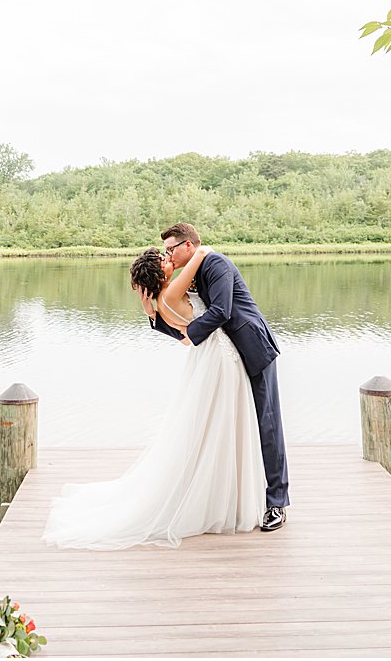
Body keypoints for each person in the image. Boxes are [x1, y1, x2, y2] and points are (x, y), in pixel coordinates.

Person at [40, 243, 266, 549]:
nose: (168, 258)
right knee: (221, 426)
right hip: (219, 360)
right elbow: (199, 255)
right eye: (163, 258)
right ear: (159, 273)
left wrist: (151, 313)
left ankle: (218, 496)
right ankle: (223, 500)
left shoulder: (161, 304)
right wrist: (197, 248)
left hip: (207, 359)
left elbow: (187, 340)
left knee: (212, 428)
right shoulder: (172, 292)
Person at [159, 223, 289, 531]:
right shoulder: (193, 272)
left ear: (188, 246)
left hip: (253, 349)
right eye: (165, 251)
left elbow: (221, 310)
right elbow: (178, 313)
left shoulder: (216, 263)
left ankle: (277, 504)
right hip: (225, 359)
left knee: (267, 425)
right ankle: (232, 499)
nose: (169, 255)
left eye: (171, 249)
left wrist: (190, 336)